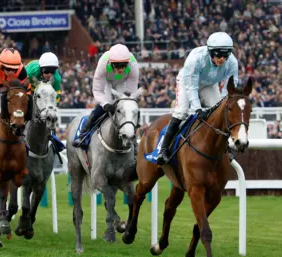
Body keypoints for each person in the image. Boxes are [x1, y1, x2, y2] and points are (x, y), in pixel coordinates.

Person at [156, 32, 238, 165]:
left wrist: (223, 105)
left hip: (209, 85)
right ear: (210, 51)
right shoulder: (196, 58)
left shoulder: (232, 63)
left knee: (222, 113)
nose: (222, 59)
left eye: (225, 55)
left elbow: (228, 89)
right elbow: (191, 87)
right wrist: (197, 109)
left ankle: (226, 146)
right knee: (181, 111)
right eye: (218, 54)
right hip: (187, 82)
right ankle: (163, 149)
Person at [72, 44, 140, 154]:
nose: (121, 69)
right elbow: (97, 90)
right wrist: (105, 104)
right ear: (111, 63)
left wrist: (125, 102)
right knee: (105, 106)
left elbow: (131, 91)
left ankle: (133, 139)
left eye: (123, 65)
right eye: (117, 66)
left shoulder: (133, 65)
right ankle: (83, 134)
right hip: (107, 84)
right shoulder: (103, 63)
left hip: (123, 84)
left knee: (129, 109)